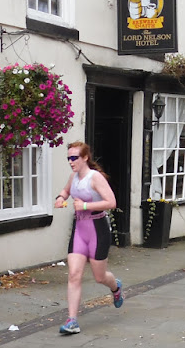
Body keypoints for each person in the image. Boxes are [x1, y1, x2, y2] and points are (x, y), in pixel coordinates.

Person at [54, 141, 124, 335]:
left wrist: (85, 206)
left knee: (99, 277)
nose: (70, 161)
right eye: (68, 158)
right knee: (74, 274)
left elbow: (111, 202)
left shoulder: (96, 178)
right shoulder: (73, 177)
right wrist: (60, 198)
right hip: (79, 229)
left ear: (85, 157)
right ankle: (72, 321)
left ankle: (116, 286)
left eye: (74, 157)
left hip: (97, 228)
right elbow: (66, 190)